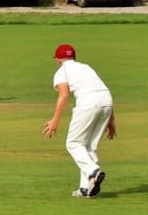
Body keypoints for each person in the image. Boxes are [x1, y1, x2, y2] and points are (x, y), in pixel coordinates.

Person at [41, 44, 115, 198]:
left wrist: (55, 120)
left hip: (88, 103)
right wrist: (111, 121)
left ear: (58, 59)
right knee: (88, 146)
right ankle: (85, 188)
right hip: (106, 102)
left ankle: (93, 172)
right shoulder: (86, 67)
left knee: (73, 144)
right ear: (74, 57)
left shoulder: (62, 71)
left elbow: (64, 95)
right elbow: (102, 89)